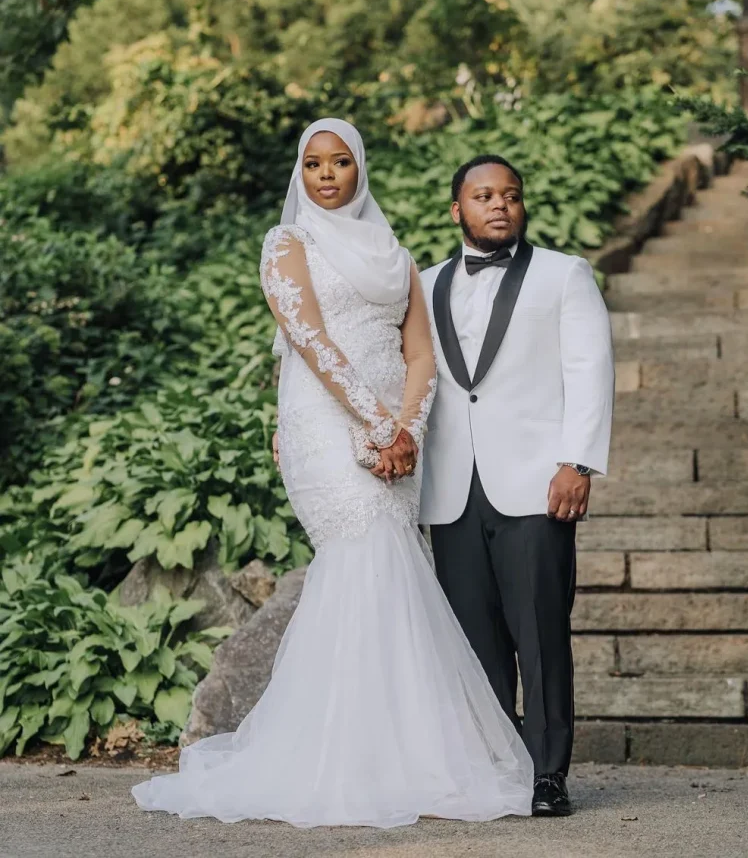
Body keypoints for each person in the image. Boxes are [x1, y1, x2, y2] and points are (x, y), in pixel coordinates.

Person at [132, 121, 533, 828]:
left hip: (398, 439)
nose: (325, 174)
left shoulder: (394, 252)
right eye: (313, 163)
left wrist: (406, 429)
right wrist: (376, 425)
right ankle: (335, 760)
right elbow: (310, 341)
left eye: (340, 162)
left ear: (359, 168)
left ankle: (400, 755)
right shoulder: (287, 245)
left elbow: (420, 354)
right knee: (364, 557)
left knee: (393, 572)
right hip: (323, 426)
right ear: (301, 172)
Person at [418, 154, 614, 818]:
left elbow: (589, 369)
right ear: (457, 211)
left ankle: (547, 775)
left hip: (537, 482)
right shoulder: (422, 286)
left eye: (510, 195)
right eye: (482, 196)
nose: (499, 205)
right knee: (475, 641)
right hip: (450, 488)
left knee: (539, 633)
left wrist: (577, 462)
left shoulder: (564, 276)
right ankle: (498, 768)